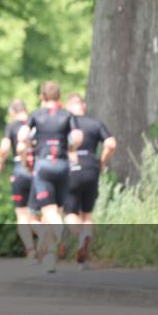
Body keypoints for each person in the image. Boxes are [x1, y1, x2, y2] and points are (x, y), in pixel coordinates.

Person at [16, 81, 83, 273]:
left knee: (49, 211)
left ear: (42, 97)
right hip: (62, 165)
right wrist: (70, 146)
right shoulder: (67, 115)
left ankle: (60, 229)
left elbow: (22, 136)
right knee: (57, 211)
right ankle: (51, 257)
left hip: (44, 165)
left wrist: (31, 144)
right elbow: (77, 137)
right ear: (59, 96)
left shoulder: (36, 115)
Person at [64, 93, 117, 268]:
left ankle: (80, 237)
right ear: (83, 106)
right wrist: (102, 162)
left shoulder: (65, 124)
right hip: (91, 168)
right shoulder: (95, 123)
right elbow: (111, 144)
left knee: (70, 212)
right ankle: (84, 250)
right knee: (87, 213)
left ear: (68, 107)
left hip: (72, 169)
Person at [0, 99, 39, 263]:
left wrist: (0, 162)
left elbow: (5, 147)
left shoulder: (12, 126)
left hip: (20, 170)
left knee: (22, 214)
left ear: (12, 112)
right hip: (38, 170)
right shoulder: (35, 124)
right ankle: (49, 242)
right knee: (41, 213)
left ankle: (31, 251)